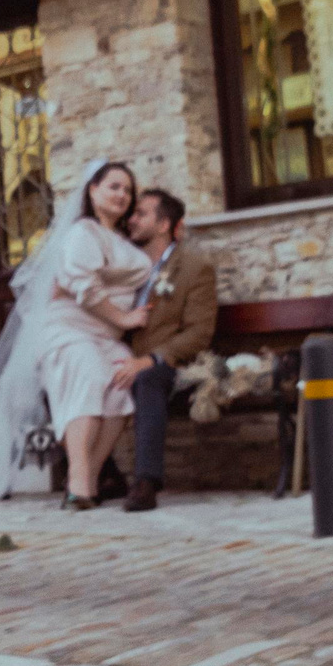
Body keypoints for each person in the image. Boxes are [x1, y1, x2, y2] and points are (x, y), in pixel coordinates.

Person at [0, 159, 153, 507]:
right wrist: (125, 318)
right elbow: (84, 287)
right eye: (114, 186)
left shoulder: (123, 241)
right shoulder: (82, 232)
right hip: (69, 329)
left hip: (105, 337)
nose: (122, 194)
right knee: (88, 376)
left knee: (121, 383)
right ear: (93, 190)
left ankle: (89, 477)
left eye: (128, 190)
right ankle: (79, 485)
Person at [109, 187, 217, 512]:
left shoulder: (194, 269)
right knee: (62, 372)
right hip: (122, 354)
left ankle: (146, 482)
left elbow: (199, 333)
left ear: (163, 225)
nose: (131, 220)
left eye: (141, 214)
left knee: (149, 379)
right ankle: (104, 474)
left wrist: (151, 359)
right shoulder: (125, 266)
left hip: (171, 363)